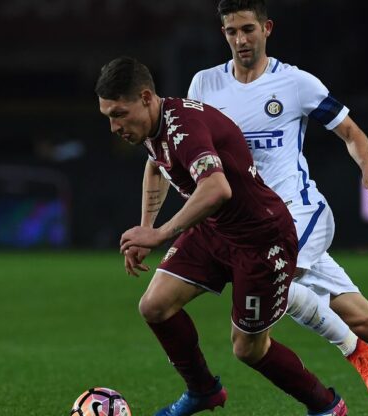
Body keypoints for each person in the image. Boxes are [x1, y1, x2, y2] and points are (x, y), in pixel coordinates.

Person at [187, 1, 368, 415]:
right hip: (248, 225)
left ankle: (350, 347)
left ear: (267, 28)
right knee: (365, 319)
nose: (241, 39)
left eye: (248, 29)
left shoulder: (295, 83)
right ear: (224, 34)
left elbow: (350, 131)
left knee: (266, 282)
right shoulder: (204, 85)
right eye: (233, 31)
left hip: (298, 213)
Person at [96, 57, 347, 416]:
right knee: (154, 306)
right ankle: (203, 391)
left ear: (147, 97)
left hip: (262, 240)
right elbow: (155, 165)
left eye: (119, 114)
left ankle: (327, 406)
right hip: (215, 230)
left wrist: (161, 234)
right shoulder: (154, 126)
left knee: (248, 349)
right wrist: (146, 227)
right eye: (108, 116)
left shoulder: (183, 128)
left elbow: (217, 189)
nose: (114, 126)